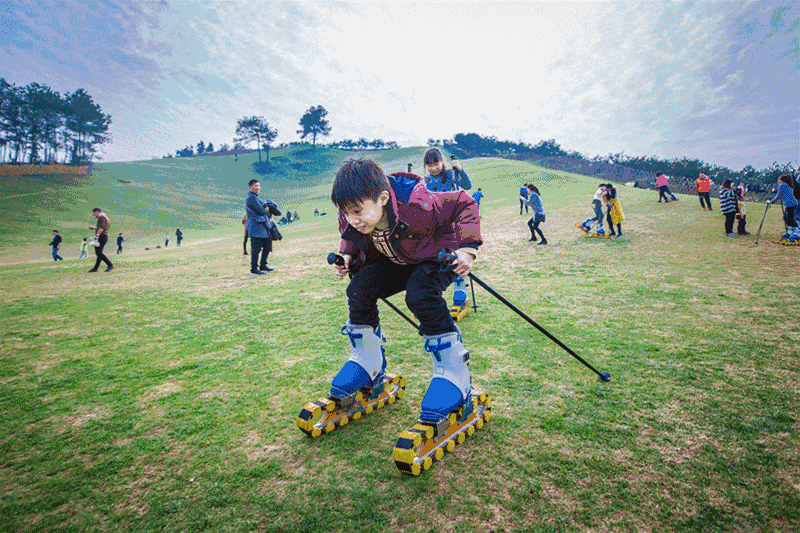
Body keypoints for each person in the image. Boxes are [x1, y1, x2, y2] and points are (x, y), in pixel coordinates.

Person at [328, 158, 482, 440]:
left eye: (357, 211)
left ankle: (453, 374)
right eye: (346, 212)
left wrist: (468, 248)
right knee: (359, 288)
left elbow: (463, 202)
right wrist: (348, 255)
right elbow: (350, 232)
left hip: (435, 255)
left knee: (421, 291)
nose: (351, 218)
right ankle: (367, 361)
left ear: (383, 198)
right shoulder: (354, 211)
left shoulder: (418, 203)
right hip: (397, 259)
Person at [422, 148, 473, 314]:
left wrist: (459, 168)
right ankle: (434, 300)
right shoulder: (426, 180)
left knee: (456, 259)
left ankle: (460, 298)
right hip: (435, 226)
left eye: (435, 163)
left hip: (453, 223)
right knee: (437, 262)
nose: (433, 167)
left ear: (442, 161)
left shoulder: (451, 174)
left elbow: (467, 185)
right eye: (429, 164)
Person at [245, 179, 278, 274]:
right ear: (250, 187)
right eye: (255, 186)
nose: (258, 187)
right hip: (256, 227)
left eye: (259, 186)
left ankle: (263, 265)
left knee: (267, 246)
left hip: (262, 226)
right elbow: (260, 210)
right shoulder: (251, 198)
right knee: (256, 249)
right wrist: (267, 211)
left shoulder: (255, 197)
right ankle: (254, 269)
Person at [767, 174, 800, 240]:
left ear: (782, 180)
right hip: (793, 204)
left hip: (790, 204)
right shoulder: (789, 185)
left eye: (779, 179)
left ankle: (796, 232)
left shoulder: (781, 185)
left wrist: (771, 202)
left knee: (790, 218)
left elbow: (778, 196)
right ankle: (791, 231)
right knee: (787, 217)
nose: (778, 181)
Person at [88, 207, 114, 272]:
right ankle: (95, 268)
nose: (94, 215)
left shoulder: (101, 217)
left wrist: (97, 235)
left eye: (94, 213)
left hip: (101, 236)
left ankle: (110, 264)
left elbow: (101, 228)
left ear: (98, 211)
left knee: (98, 252)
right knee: (99, 253)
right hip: (104, 236)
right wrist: (95, 228)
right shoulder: (105, 217)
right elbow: (102, 227)